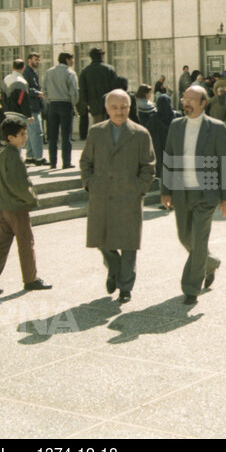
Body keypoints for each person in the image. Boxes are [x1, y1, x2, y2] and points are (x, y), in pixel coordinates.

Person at [81, 90, 156, 304]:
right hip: (101, 195)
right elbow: (86, 162)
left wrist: (139, 188)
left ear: (129, 108)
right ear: (107, 109)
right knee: (102, 241)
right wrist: (90, 183)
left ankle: (125, 287)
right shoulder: (96, 132)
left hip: (129, 196)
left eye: (123, 107)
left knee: (129, 244)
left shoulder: (140, 134)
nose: (119, 111)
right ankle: (114, 269)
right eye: (114, 107)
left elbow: (149, 166)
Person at [161, 86, 226, 304]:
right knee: (185, 237)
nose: (187, 103)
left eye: (192, 99)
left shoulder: (217, 128)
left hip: (207, 192)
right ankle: (210, 263)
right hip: (182, 192)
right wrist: (165, 190)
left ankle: (191, 288)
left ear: (203, 103)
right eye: (185, 98)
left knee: (199, 241)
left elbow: (225, 164)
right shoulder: (176, 125)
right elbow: (169, 158)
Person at [0, 118, 53, 295]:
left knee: (1, 244)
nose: (25, 137)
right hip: (16, 208)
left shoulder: (3, 154)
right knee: (26, 243)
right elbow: (20, 185)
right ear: (10, 138)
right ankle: (30, 279)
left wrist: (1, 196)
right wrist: (32, 198)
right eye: (22, 135)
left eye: (25, 133)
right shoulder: (14, 157)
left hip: (3, 206)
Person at [43, 52, 80, 169]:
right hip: (65, 104)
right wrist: (73, 104)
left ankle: (53, 162)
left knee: (52, 136)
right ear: (67, 60)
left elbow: (44, 89)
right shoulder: (70, 73)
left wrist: (50, 99)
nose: (73, 61)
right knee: (66, 135)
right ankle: (66, 162)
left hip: (52, 104)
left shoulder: (49, 72)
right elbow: (74, 91)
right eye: (72, 59)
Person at [78, 47, 117, 125]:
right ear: (102, 56)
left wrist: (87, 103)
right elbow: (115, 87)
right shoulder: (109, 69)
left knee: (98, 126)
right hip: (110, 103)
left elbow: (82, 90)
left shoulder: (85, 71)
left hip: (94, 105)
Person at [22, 52, 47, 165]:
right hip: (32, 106)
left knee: (32, 132)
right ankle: (38, 158)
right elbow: (27, 88)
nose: (38, 62)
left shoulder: (31, 72)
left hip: (33, 106)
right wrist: (38, 93)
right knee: (37, 132)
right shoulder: (27, 72)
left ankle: (30, 156)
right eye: (35, 59)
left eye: (39, 60)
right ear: (29, 60)